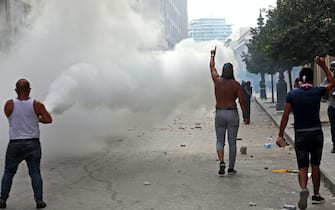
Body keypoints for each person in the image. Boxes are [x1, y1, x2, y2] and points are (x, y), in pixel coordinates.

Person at [277, 57, 334, 209]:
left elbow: (285, 115)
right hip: (316, 133)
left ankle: (303, 189)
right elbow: (332, 83)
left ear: (300, 80)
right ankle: (316, 194)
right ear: (311, 79)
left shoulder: (293, 95)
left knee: (303, 166)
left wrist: (280, 134)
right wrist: (323, 66)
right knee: (315, 165)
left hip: (301, 134)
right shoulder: (317, 92)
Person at [0, 79, 52, 209]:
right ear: (29, 90)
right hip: (33, 143)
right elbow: (48, 119)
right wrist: (36, 119)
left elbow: (10, 117)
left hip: (15, 143)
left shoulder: (9, 104)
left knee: (8, 172)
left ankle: (2, 199)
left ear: (16, 90)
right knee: (35, 172)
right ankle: (39, 201)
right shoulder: (37, 104)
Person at [209, 47, 249, 176]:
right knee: (232, 142)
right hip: (232, 113)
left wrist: (212, 56)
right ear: (232, 71)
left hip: (220, 113)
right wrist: (245, 116)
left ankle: (221, 161)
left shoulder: (217, 81)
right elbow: (242, 101)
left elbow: (212, 68)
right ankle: (231, 168)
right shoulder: (236, 84)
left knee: (220, 141)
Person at [327, 61, 335, 153]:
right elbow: (323, 87)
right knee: (333, 126)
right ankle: (334, 144)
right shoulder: (329, 78)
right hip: (332, 105)